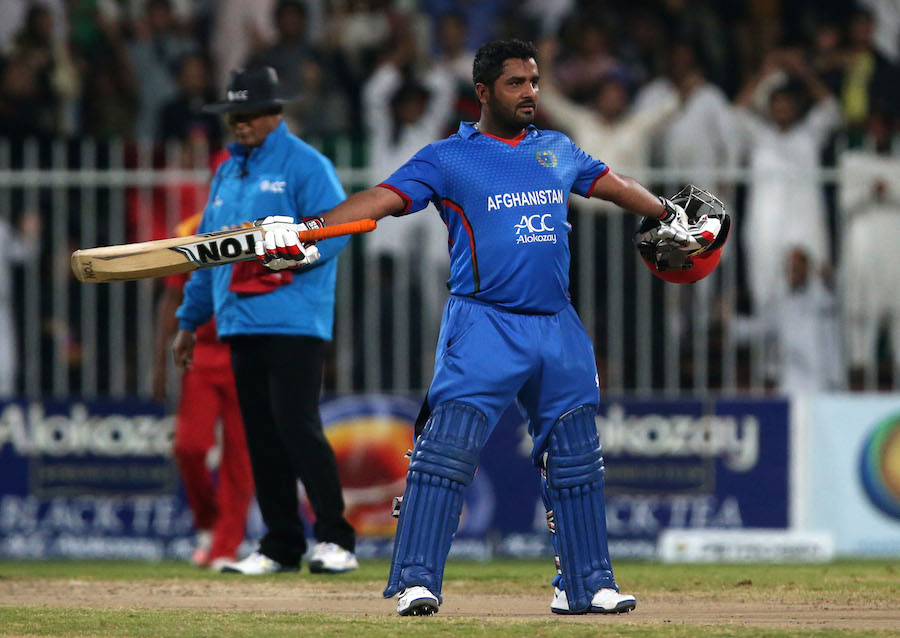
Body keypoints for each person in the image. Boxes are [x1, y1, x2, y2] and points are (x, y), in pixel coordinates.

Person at [255, 40, 705, 616]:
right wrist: (309, 230)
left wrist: (667, 215)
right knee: (447, 452)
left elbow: (616, 186)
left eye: (535, 82)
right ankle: (416, 581)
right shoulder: (448, 158)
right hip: (482, 322)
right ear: (484, 92)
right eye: (516, 83)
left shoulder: (557, 149)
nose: (530, 94)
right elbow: (380, 200)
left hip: (557, 323)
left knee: (576, 458)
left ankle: (586, 584)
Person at [172, 66, 357, 575]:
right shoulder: (228, 171)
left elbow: (337, 229)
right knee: (261, 436)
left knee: (297, 427)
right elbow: (209, 253)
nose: (239, 123)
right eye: (233, 114)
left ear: (276, 114)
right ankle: (280, 545)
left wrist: (297, 251)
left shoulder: (305, 164)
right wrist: (189, 322)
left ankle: (336, 539)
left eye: (249, 114)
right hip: (239, 322)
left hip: (294, 318)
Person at [154, 213, 254, 570]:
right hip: (204, 354)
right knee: (189, 446)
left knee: (240, 458)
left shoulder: (261, 224)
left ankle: (226, 546)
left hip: (249, 351)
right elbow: (172, 299)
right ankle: (209, 523)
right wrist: (158, 365)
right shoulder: (189, 228)